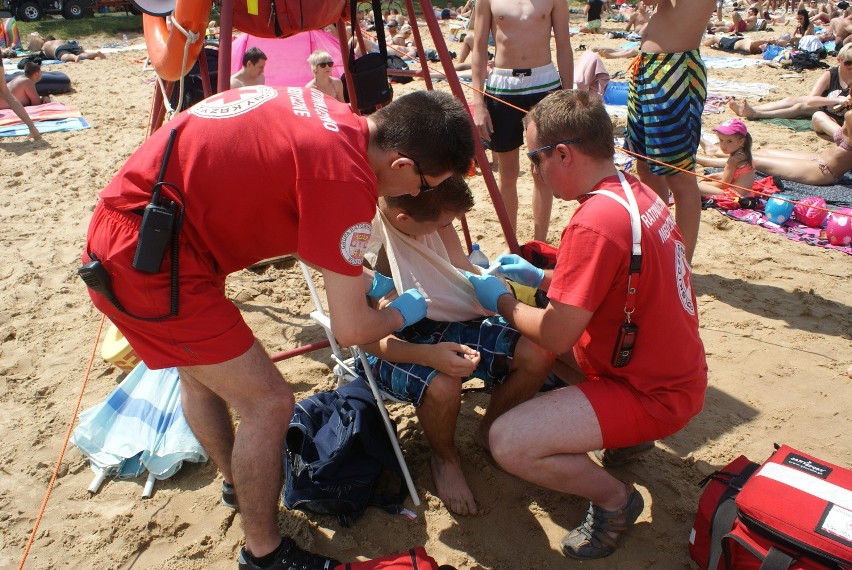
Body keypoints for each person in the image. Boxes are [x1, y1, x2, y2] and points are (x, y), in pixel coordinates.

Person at [80, 88, 474, 570]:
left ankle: (235, 483)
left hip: (132, 229)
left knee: (197, 374)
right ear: (400, 163)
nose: (417, 194)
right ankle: (264, 554)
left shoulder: (332, 115)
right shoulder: (347, 178)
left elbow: (307, 221)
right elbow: (352, 329)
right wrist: (406, 310)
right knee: (269, 403)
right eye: (425, 182)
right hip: (153, 261)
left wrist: (366, 278)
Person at [464, 89, 707, 560]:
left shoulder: (594, 221)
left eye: (535, 158)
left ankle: (616, 501)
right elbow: (609, 278)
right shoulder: (632, 193)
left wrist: (500, 301)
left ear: (562, 153)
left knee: (508, 442)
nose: (534, 170)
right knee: (550, 352)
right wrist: (542, 276)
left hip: (651, 390)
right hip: (669, 370)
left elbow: (556, 332)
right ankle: (632, 439)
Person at [358, 176, 554, 516]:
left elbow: (457, 266)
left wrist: (484, 276)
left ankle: (491, 430)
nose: (447, 228)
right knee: (444, 383)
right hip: (390, 341)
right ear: (404, 219)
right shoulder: (362, 241)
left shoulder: (428, 204)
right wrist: (429, 355)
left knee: (537, 351)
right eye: (443, 223)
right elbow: (369, 339)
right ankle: (445, 459)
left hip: (445, 317)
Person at [471, 0, 573, 241]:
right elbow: (478, 49)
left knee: (543, 170)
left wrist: (567, 95)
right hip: (503, 85)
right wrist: (477, 103)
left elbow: (564, 45)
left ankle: (539, 241)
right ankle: (511, 242)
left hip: (545, 84)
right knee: (507, 172)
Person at [627, 0, 717, 264]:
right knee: (645, 164)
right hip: (649, 66)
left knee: (679, 174)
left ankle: (682, 264)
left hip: (675, 69)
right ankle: (660, 248)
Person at [728, 43, 852, 137]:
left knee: (798, 108)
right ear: (838, 60)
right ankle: (748, 110)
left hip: (837, 115)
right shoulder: (831, 75)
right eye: (848, 63)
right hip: (827, 106)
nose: (851, 66)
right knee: (792, 100)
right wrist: (836, 100)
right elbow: (811, 100)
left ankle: (756, 113)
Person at [699, 109, 852, 183]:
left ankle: (705, 158)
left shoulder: (850, 116)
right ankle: (713, 150)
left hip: (825, 171)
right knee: (762, 152)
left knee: (752, 160)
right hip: (819, 158)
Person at [697, 119, 755, 197]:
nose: (723, 145)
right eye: (721, 140)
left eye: (729, 141)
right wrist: (714, 175)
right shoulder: (745, 154)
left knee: (693, 186)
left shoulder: (733, 160)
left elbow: (724, 184)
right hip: (746, 194)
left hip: (733, 196)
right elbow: (735, 175)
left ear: (741, 141)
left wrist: (705, 183)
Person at [0, 67, 40, 139]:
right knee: (7, 94)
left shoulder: (24, 81)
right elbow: (36, 102)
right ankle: (33, 129)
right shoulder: (24, 80)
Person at [27, 32, 105, 62]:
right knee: (83, 54)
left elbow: (44, 55)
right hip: (69, 45)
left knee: (64, 55)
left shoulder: (45, 45)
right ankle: (95, 53)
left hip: (58, 49)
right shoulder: (58, 40)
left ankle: (74, 58)